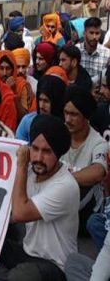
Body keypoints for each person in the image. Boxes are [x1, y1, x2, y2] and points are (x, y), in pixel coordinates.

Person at [0, 115, 78, 281]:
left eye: (47, 151)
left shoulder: (66, 185)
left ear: (59, 153)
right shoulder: (31, 172)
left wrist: (21, 166)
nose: (38, 158)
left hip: (54, 266)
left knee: (21, 276)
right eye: (35, 148)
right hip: (27, 251)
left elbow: (19, 213)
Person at [62, 85, 107, 230]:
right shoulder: (59, 133)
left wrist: (61, 179)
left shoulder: (98, 143)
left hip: (85, 213)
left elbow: (98, 172)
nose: (68, 119)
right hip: (59, 203)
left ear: (86, 116)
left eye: (74, 114)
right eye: (66, 113)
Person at [16, 74, 67, 142]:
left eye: (46, 101)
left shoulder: (67, 126)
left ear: (56, 102)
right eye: (40, 100)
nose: (41, 106)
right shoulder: (27, 122)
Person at [0, 50, 33, 120]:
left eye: (8, 68)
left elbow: (24, 117)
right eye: (1, 68)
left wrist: (13, 93)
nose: (4, 73)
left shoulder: (22, 85)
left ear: (13, 69)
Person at [77, 17, 110, 81]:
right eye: (91, 33)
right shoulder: (77, 50)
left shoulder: (107, 54)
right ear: (84, 33)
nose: (94, 37)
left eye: (97, 33)